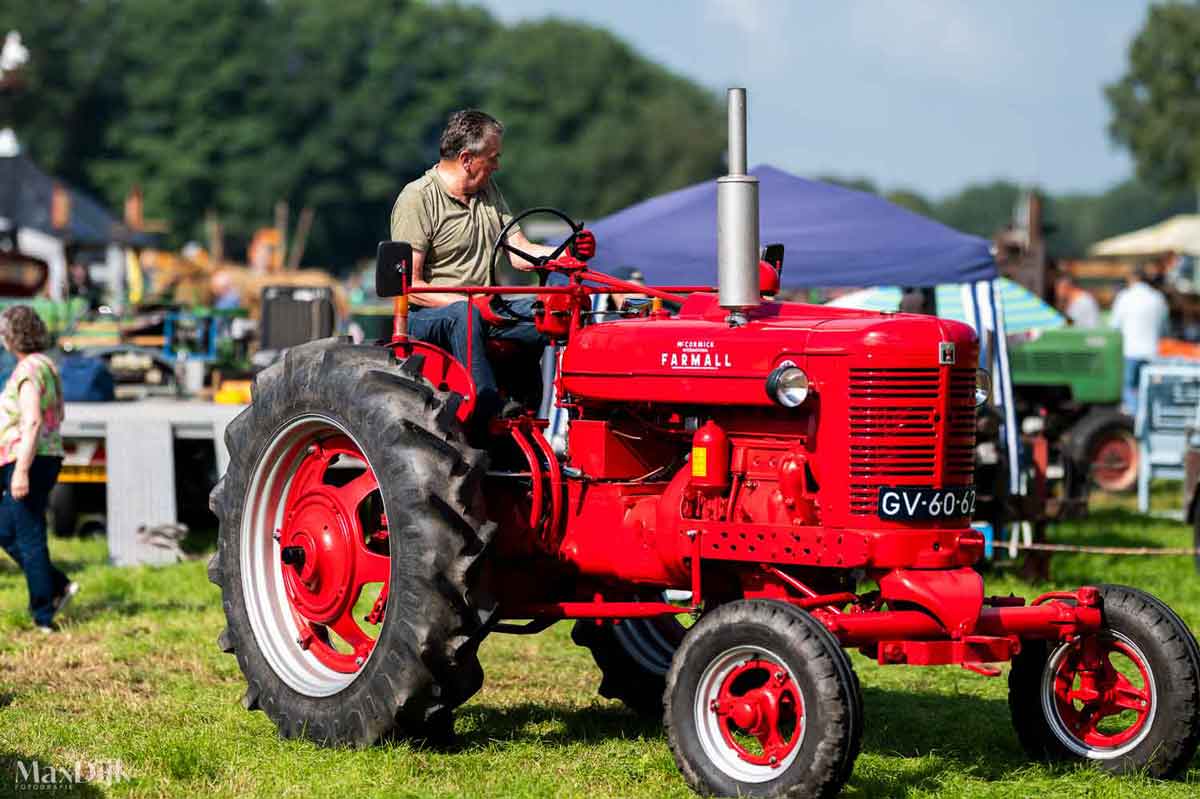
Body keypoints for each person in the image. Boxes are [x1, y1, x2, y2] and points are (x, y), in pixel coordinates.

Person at [389, 109, 595, 420]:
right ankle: (486, 404)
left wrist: (568, 254)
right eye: (493, 157)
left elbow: (520, 251)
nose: (498, 165)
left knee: (555, 311)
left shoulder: (487, 193)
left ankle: (560, 412)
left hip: (482, 308)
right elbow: (411, 286)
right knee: (465, 314)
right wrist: (472, 303)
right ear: (467, 158)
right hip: (430, 317)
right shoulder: (417, 198)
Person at [0, 306, 75, 632]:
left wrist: (21, 471)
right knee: (5, 530)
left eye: (3, 332)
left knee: (29, 535)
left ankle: (43, 614)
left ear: (13, 336)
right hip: (43, 456)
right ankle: (56, 584)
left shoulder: (28, 370)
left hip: (27, 459)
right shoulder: (47, 366)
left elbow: (31, 421)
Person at [1110, 264, 1170, 415]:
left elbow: (1115, 325)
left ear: (1133, 278)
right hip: (1152, 351)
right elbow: (1164, 327)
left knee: (1130, 388)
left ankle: (1134, 422)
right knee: (1149, 390)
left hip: (1130, 350)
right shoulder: (1157, 297)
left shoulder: (1125, 296)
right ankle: (1145, 420)